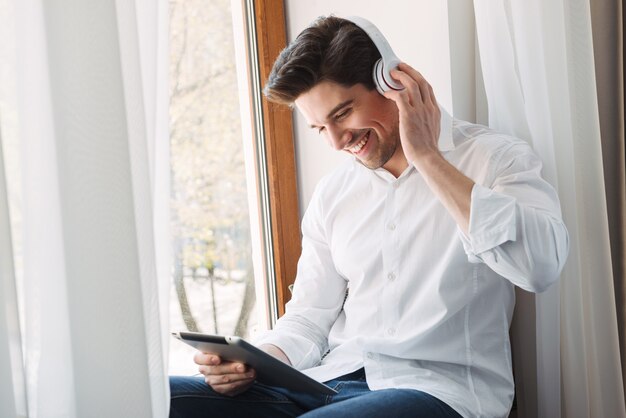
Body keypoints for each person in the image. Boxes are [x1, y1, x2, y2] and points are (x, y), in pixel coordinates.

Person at [169, 15, 569, 418]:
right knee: (160, 398)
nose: (337, 141)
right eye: (319, 128)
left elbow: (540, 266)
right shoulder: (334, 194)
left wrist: (426, 157)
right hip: (328, 382)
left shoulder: (494, 159)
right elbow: (309, 317)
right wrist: (256, 360)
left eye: (342, 114)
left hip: (436, 390)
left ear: (393, 82)